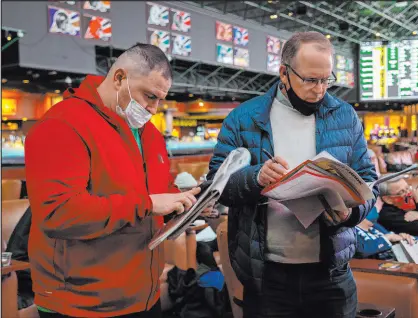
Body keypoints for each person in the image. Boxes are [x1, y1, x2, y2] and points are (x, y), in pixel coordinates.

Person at [207, 31, 378, 318]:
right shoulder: (243, 118)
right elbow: (218, 186)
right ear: (284, 73)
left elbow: (369, 181)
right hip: (268, 278)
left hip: (331, 275)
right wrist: (256, 177)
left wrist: (351, 213)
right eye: (311, 80)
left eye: (326, 79)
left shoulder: (345, 116)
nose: (320, 89)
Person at [25, 43, 200, 318]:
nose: (154, 109)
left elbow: (152, 194)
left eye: (160, 100)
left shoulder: (149, 134)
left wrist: (184, 202)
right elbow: (58, 213)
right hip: (81, 302)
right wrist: (149, 204)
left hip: (143, 294)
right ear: (119, 78)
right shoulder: (62, 125)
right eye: (149, 96)